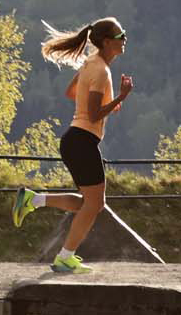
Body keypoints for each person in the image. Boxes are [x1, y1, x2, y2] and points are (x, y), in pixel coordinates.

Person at [11, 17, 133, 275]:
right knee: (94, 204)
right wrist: (120, 97)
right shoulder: (101, 70)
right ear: (108, 42)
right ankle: (65, 257)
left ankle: (34, 200)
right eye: (121, 36)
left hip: (75, 140)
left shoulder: (91, 63)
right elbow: (93, 115)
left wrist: (108, 101)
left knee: (89, 204)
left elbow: (71, 92)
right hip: (83, 141)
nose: (125, 39)